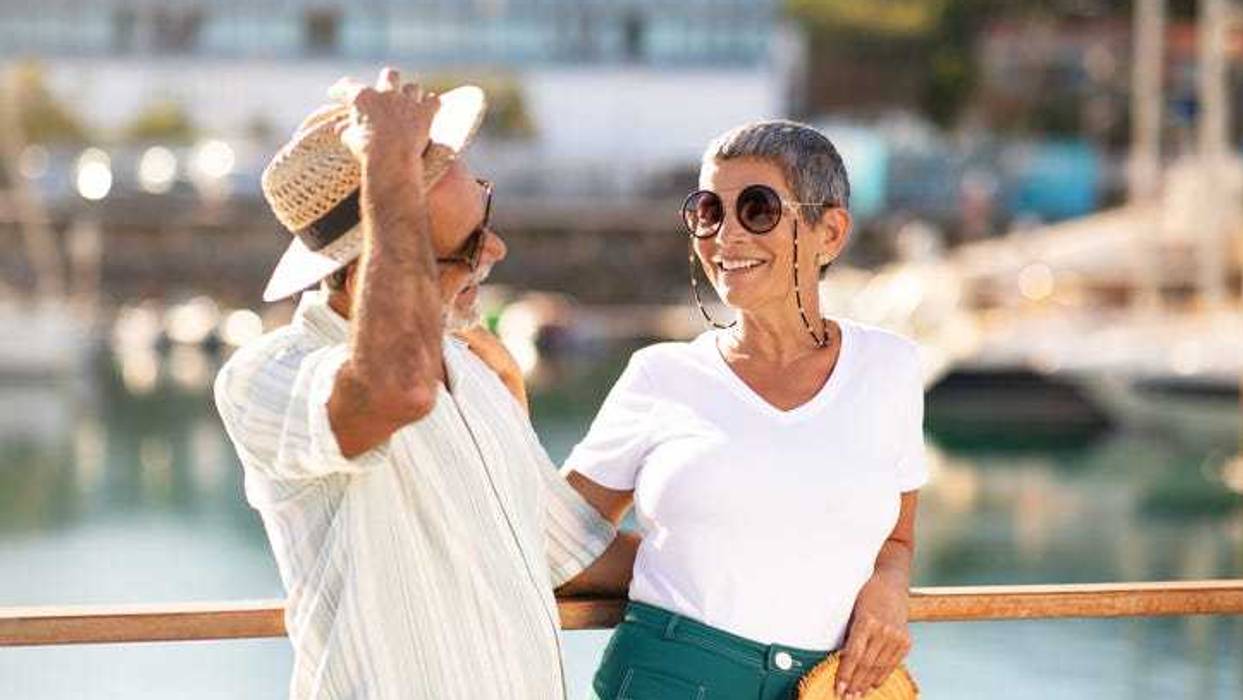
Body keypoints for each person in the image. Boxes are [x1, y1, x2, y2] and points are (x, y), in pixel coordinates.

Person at [213, 67, 634, 700]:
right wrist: (389, 164)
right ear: (370, 272)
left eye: (485, 216)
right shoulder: (264, 376)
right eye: (465, 246)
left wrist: (803, 566)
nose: (495, 250)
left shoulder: (475, 371)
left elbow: (572, 557)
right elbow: (395, 391)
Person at [563, 120, 928, 700]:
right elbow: (553, 539)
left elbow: (898, 540)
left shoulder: (892, 368)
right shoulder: (661, 377)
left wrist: (890, 587)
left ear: (828, 232)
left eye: (757, 209)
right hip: (668, 678)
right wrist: (677, 559)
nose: (725, 235)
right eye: (708, 211)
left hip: (830, 688)